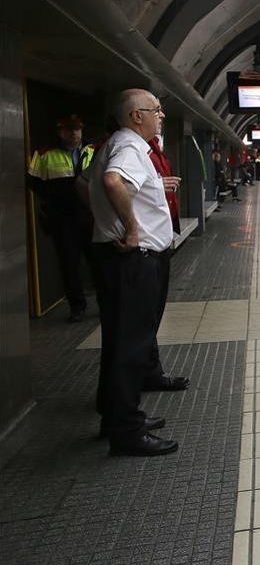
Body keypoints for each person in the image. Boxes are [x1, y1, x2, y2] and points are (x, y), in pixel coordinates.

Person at [89, 89, 183, 456]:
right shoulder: (128, 148)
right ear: (135, 117)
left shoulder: (117, 145)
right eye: (155, 110)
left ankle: (115, 417)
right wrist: (129, 228)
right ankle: (126, 432)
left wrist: (105, 221)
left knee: (119, 343)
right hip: (135, 261)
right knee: (132, 346)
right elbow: (113, 183)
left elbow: (87, 185)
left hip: (124, 260)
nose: (161, 116)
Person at [27, 115, 97, 321]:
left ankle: (105, 302)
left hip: (91, 216)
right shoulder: (44, 154)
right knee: (69, 264)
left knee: (99, 262)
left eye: (77, 130)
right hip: (63, 218)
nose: (74, 134)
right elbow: (32, 180)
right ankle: (77, 307)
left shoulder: (93, 151)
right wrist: (53, 198)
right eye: (69, 130)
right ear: (60, 133)